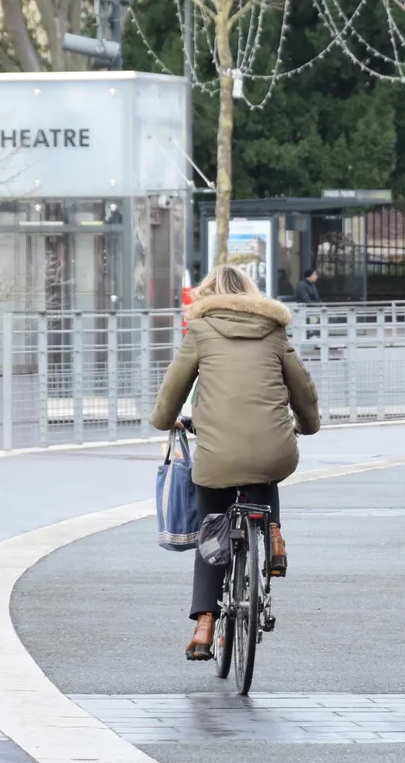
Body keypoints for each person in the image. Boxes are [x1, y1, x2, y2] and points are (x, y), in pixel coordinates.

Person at [150, 264, 320, 662]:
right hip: (274, 450)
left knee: (213, 530)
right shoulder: (274, 331)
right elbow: (303, 390)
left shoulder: (202, 331)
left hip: (216, 457)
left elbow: (173, 387)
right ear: (251, 295)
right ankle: (274, 535)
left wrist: (164, 421)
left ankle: (205, 625)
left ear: (208, 296)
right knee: (265, 462)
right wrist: (307, 426)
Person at [294, 268, 322, 340]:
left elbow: (316, 298)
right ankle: (312, 335)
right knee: (314, 319)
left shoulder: (311, 285)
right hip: (306, 310)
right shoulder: (302, 286)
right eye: (315, 274)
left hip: (312, 309)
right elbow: (306, 299)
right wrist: (317, 306)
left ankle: (315, 335)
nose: (316, 276)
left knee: (320, 317)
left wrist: (321, 305)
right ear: (309, 276)